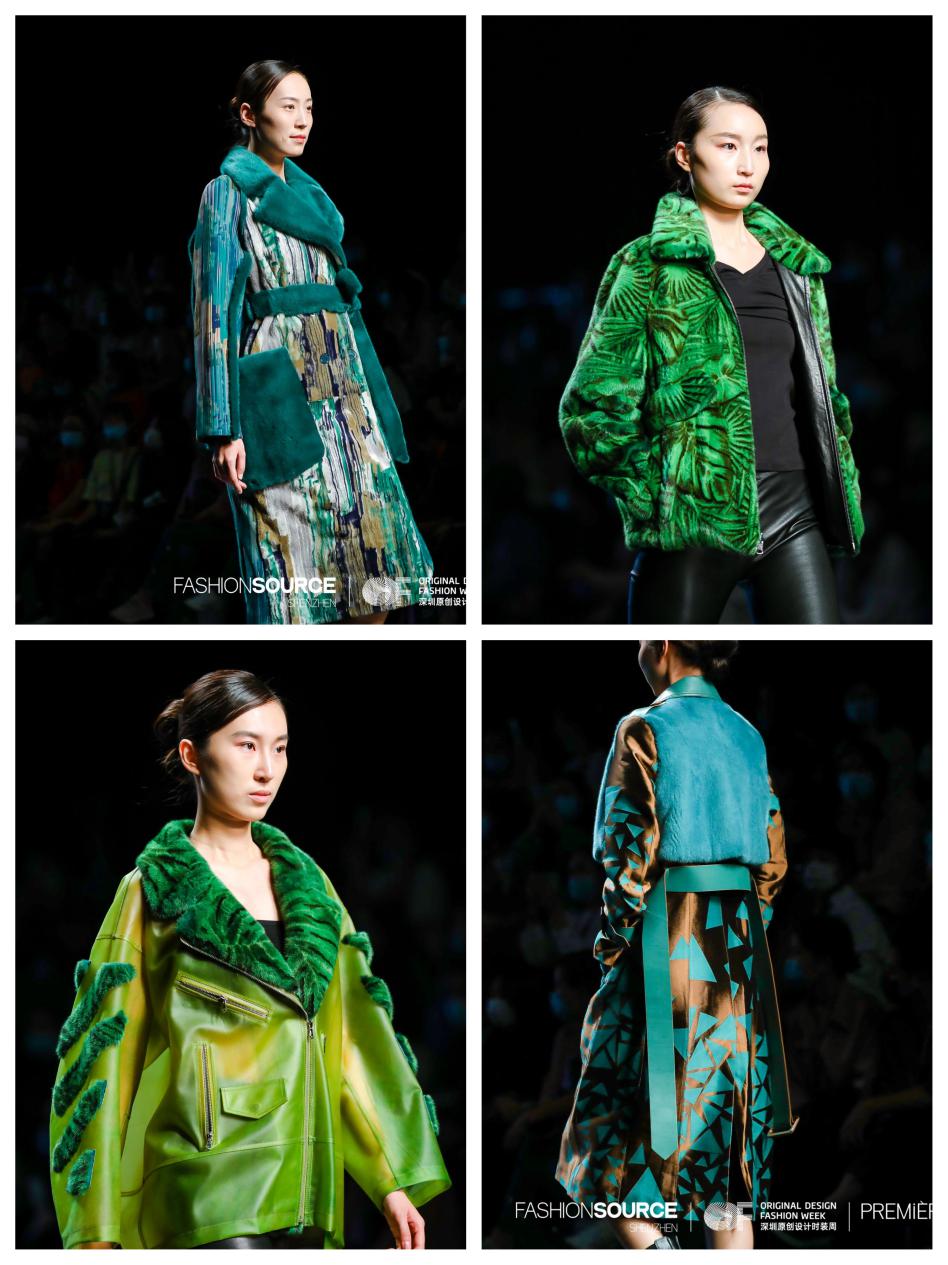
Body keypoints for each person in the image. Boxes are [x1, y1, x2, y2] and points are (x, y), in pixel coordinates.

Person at [48, 669, 451, 1248]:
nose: (267, 769)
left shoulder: (311, 889)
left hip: (309, 1187)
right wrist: (95, 1231)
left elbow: (351, 1039)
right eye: (246, 745)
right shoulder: (152, 891)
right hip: (207, 1184)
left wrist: (388, 1181)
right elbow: (100, 1061)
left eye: (279, 748)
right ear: (192, 755)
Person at [559, 86, 865, 624]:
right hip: (695, 513)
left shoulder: (798, 270)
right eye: (728, 146)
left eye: (760, 148)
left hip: (795, 506)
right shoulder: (647, 265)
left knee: (819, 660)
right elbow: (590, 408)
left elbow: (827, 397)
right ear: (685, 155)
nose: (748, 165)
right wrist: (659, 495)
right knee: (668, 663)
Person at [556, 641, 798, 1249]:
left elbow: (628, 854)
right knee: (726, 1166)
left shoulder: (644, 728)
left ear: (662, 644)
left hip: (666, 942)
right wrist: (742, 931)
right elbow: (773, 858)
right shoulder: (747, 735)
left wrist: (613, 948)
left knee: (606, 1153)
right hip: (738, 952)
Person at [190, 60, 434, 624]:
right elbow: (212, 313)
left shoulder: (312, 197)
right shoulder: (227, 194)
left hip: (345, 389)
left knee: (377, 573)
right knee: (293, 573)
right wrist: (222, 427)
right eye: (287, 107)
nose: (302, 120)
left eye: (308, 108)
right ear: (250, 114)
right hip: (279, 387)